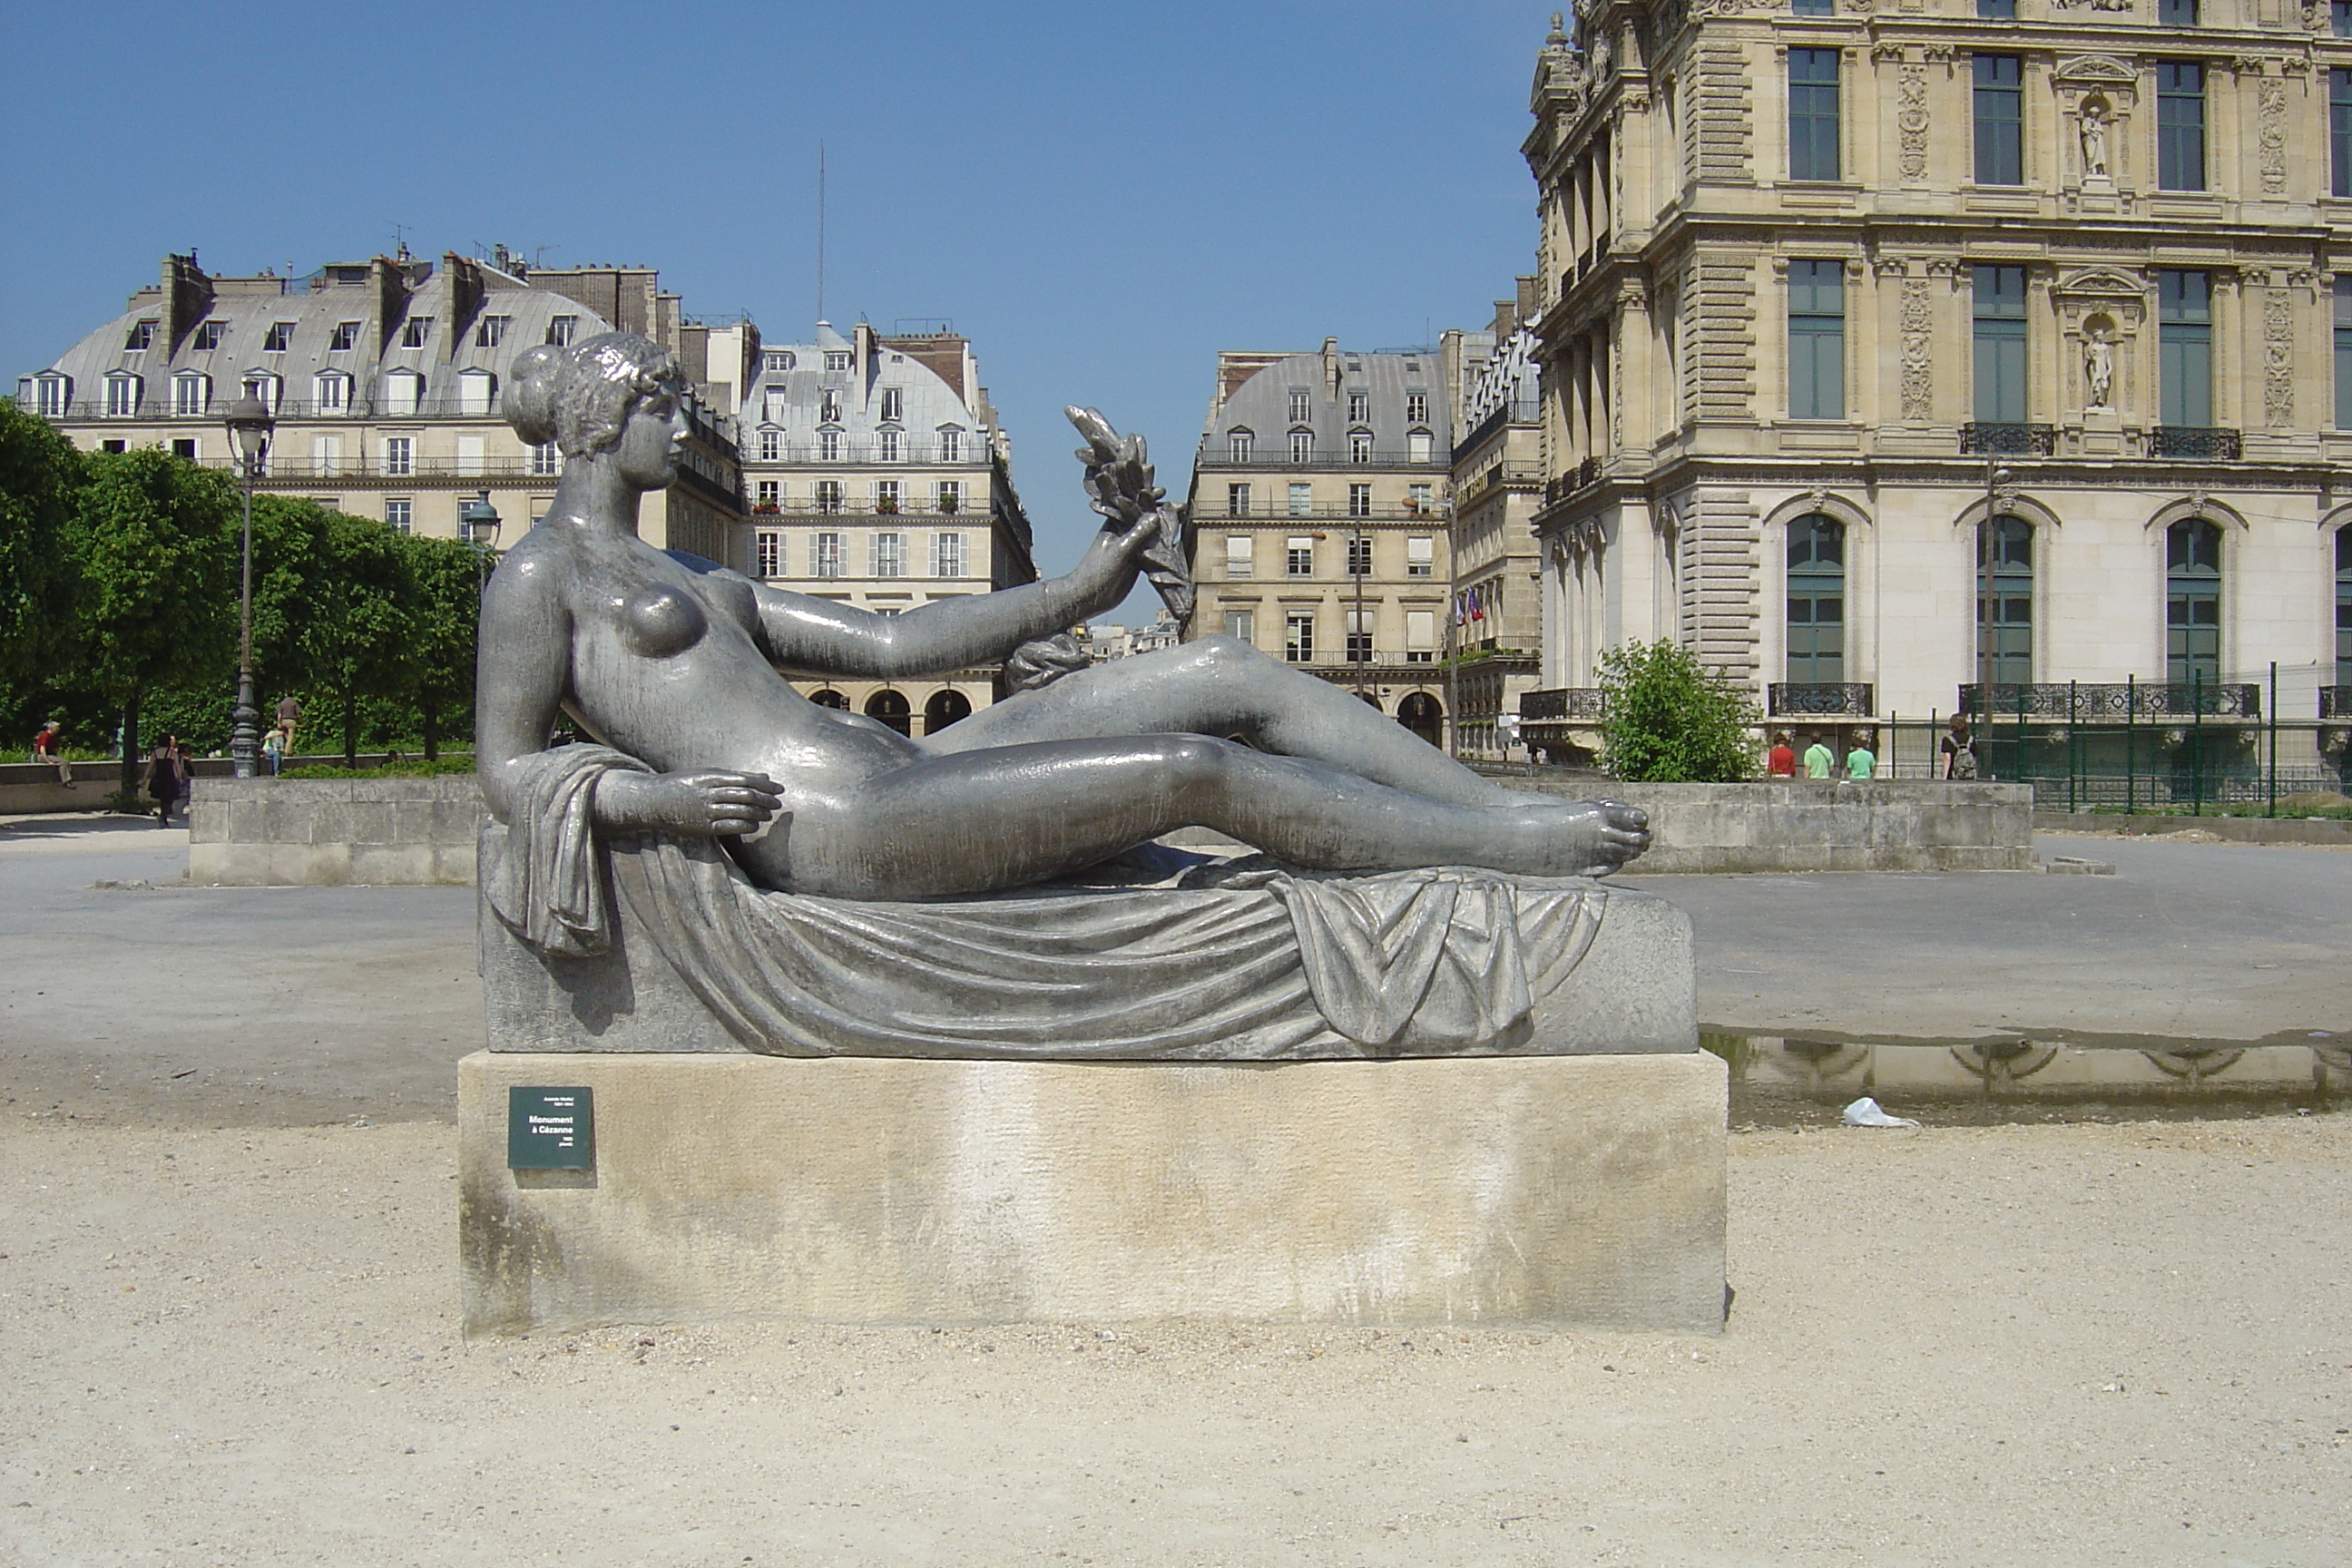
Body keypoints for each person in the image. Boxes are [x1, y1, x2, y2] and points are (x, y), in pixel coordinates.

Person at [475, 333, 1650, 901]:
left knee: (1220, 672)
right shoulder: (539, 580)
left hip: (899, 766)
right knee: (1191, 769)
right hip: (829, 827)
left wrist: (1085, 588)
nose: (682, 432)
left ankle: (1497, 809)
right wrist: (659, 798)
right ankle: (1509, 852)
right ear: (597, 419)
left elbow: (893, 645)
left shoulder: (699, 577)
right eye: (660, 409)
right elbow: (510, 770)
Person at [140, 734, 182, 826]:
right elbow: (177, 767)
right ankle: (164, 816)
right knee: (169, 798)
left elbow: (149, 767)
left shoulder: (155, 753)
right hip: (169, 777)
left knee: (163, 798)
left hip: (159, 777)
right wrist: (179, 777)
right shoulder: (172, 753)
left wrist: (144, 778)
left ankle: (163, 817)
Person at [33, 720, 75, 789]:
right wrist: (48, 761)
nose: (58, 729)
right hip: (43, 756)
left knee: (66, 762)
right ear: (52, 728)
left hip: (50, 755)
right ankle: (66, 781)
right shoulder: (45, 736)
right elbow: (42, 750)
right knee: (63, 762)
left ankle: (67, 778)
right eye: (57, 728)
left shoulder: (51, 737)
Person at [1940, 714, 1977, 780]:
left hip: (1953, 774)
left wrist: (1944, 776)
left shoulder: (1947, 739)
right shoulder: (1971, 739)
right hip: (1968, 775)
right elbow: (1974, 756)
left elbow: (1947, 757)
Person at [274, 695, 302, 760]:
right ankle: (287, 751)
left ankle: (290, 752)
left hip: (283, 721)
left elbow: (279, 714)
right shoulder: (294, 703)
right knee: (290, 737)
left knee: (286, 737)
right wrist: (301, 721)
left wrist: (279, 723)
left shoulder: (282, 703)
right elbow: (298, 714)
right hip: (291, 721)